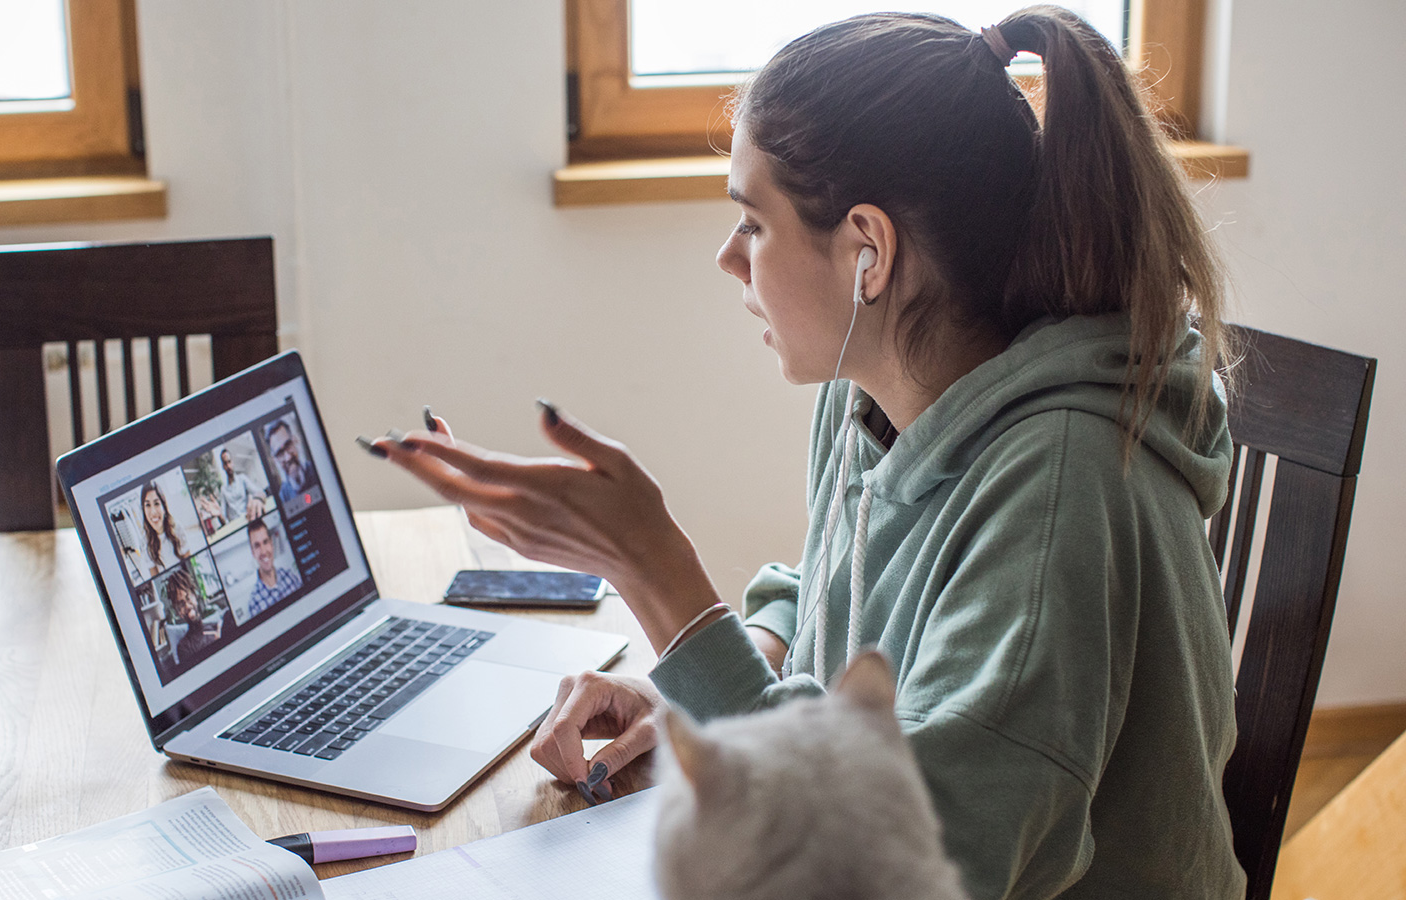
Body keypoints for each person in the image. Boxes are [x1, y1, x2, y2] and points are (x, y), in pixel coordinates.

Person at [367, 7, 1241, 899]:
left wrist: (658, 575)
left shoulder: (1061, 491)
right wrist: (714, 684)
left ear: (869, 251)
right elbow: (833, 585)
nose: (727, 258)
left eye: (753, 222)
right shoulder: (870, 398)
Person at [245, 518, 300, 617]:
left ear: (271, 544)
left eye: (265, 542)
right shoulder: (255, 603)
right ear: (252, 552)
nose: (263, 551)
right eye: (257, 546)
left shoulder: (291, 577)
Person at [166, 568, 220, 661]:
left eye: (188, 598)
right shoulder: (184, 647)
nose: (187, 606)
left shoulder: (217, 627)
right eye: (181, 604)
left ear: (195, 596)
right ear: (178, 612)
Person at [141, 481, 187, 576]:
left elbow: (189, 565)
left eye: (156, 504)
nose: (153, 512)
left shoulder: (177, 528)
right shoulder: (145, 542)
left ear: (164, 507)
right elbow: (156, 579)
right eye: (148, 505)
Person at [267, 419, 316, 504]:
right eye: (280, 453)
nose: (288, 457)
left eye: (288, 445)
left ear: (295, 441)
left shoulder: (317, 470)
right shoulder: (283, 497)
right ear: (275, 460)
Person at [219, 446, 266, 521]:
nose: (228, 466)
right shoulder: (223, 489)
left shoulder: (242, 479)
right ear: (223, 466)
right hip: (235, 525)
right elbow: (223, 516)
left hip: (248, 519)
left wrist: (257, 499)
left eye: (229, 462)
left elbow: (260, 492)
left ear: (232, 462)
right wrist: (219, 515)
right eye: (225, 463)